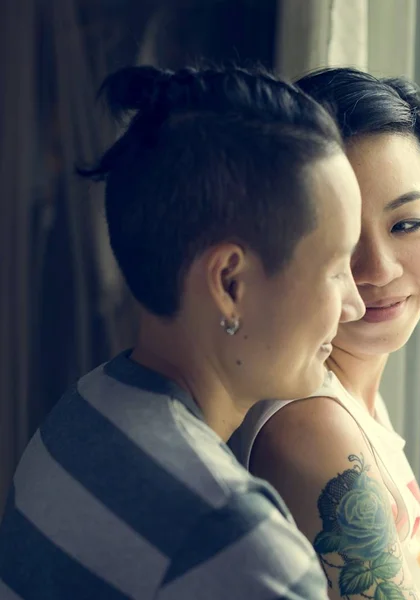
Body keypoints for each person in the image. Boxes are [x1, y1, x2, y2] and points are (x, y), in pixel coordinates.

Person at [0, 64, 365, 600]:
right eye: (335, 268)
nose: (354, 303)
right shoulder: (237, 542)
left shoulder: (77, 415)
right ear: (230, 283)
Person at [230, 67, 420, 600]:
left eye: (405, 224)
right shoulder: (314, 429)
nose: (378, 269)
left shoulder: (355, 398)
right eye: (344, 238)